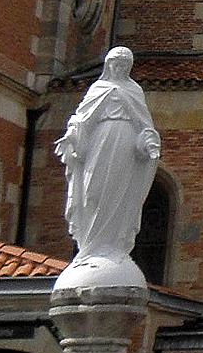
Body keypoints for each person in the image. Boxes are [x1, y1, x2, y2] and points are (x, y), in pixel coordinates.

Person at [52, 47, 161, 287]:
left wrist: (148, 144)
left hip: (123, 142)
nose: (120, 68)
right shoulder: (97, 89)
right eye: (116, 63)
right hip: (99, 142)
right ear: (108, 65)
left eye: (124, 64)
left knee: (119, 194)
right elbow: (81, 118)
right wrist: (72, 134)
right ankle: (90, 248)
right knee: (92, 192)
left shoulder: (134, 91)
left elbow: (144, 127)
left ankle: (113, 247)